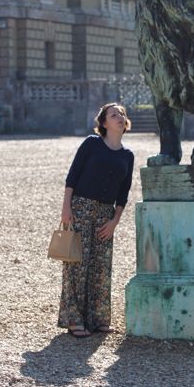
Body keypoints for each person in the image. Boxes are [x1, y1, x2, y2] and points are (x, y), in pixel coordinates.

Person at [58, 102, 134, 338]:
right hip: (80, 208)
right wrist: (66, 208)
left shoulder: (128, 156)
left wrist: (115, 221)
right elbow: (72, 177)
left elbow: (123, 193)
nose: (119, 117)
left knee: (101, 267)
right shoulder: (91, 144)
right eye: (113, 114)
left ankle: (99, 319)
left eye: (122, 114)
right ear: (104, 123)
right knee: (76, 265)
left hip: (105, 215)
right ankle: (74, 320)